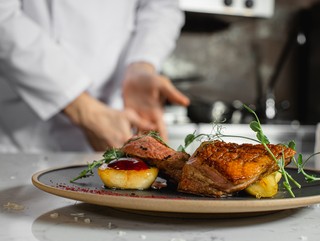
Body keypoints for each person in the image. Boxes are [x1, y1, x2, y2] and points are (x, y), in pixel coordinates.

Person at [0, 0, 189, 152]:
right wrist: (84, 110)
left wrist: (142, 64)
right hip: (22, 129)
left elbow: (162, 6)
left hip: (118, 115)